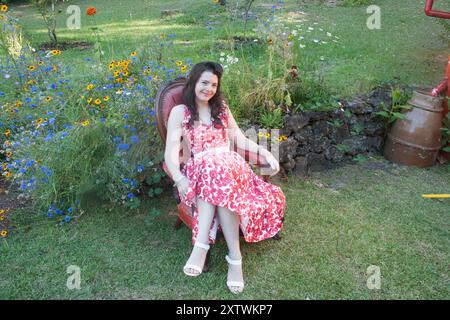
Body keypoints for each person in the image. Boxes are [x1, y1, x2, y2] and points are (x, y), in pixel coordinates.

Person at [164, 61, 286, 294]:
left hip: (230, 167)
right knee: (213, 172)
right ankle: (235, 259)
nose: (208, 88)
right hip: (200, 168)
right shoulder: (180, 112)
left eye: (213, 85)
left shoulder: (221, 109)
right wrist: (179, 178)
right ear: (193, 82)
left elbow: (240, 140)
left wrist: (265, 151)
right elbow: (170, 151)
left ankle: (201, 246)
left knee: (219, 172)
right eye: (204, 83)